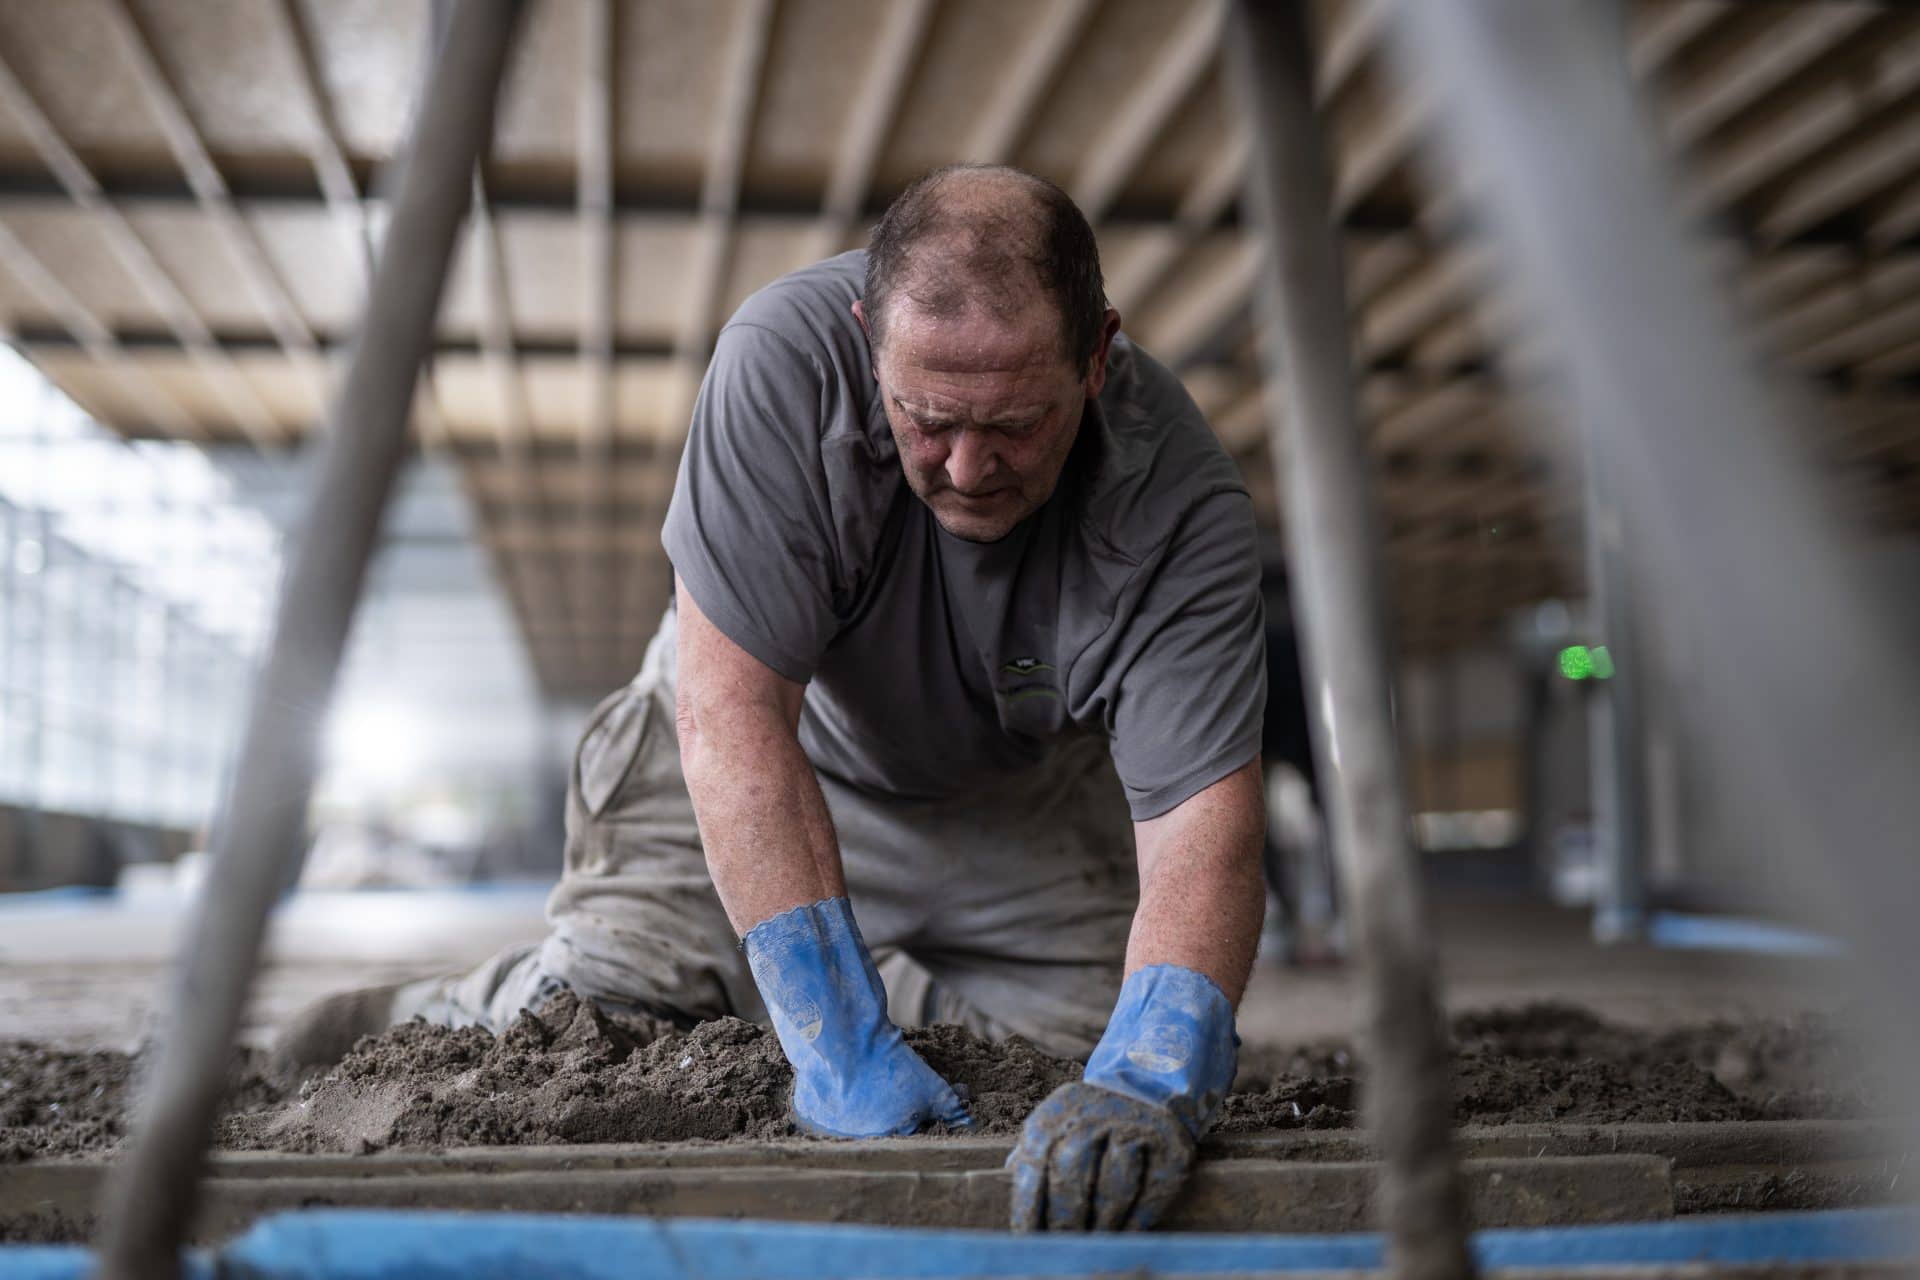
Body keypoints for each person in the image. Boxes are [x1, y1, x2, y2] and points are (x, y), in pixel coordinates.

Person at [275, 164, 1268, 1232]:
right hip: (756, 749)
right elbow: (733, 716)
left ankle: (821, 983)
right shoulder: (783, 364)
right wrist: (838, 1042)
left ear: (1097, 358)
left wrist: (1151, 1076)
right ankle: (441, 1008)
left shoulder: (1182, 505)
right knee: (600, 1015)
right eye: (929, 419)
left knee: (1084, 1059)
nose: (971, 467)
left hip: (1009, 798)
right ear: (865, 335)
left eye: (1017, 423)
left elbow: (1203, 822)